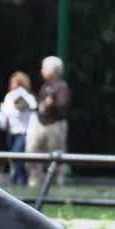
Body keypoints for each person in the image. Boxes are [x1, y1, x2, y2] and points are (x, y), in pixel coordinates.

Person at [25, 55, 71, 188]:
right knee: (32, 151)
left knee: (56, 156)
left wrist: (53, 104)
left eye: (44, 68)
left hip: (55, 125)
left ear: (54, 70)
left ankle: (57, 184)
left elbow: (63, 106)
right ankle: (34, 181)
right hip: (39, 123)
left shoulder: (62, 86)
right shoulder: (45, 86)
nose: (42, 71)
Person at [0, 71, 37, 186]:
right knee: (13, 157)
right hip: (11, 131)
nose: (13, 85)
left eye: (16, 83)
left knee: (17, 155)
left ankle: (20, 179)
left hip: (23, 131)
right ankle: (17, 179)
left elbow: (33, 108)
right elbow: (5, 113)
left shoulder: (27, 96)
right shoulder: (9, 96)